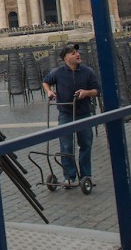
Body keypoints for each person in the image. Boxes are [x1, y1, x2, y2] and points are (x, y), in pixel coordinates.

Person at [42, 43, 100, 187]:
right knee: (66, 145)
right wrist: (49, 92)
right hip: (65, 113)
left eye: (77, 52)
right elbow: (45, 82)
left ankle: (86, 175)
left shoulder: (88, 72)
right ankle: (69, 175)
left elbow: (97, 90)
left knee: (86, 144)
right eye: (73, 53)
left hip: (83, 113)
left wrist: (86, 93)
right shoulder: (58, 72)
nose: (77, 54)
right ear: (66, 58)